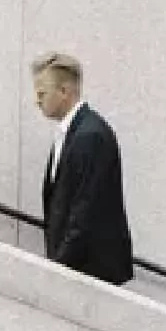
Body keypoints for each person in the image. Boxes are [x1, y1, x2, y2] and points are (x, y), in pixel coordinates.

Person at [31, 52, 133, 286]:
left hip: (90, 272)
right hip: (78, 268)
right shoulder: (73, 132)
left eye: (42, 94)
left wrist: (59, 267)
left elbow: (85, 210)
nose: (37, 101)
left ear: (64, 91)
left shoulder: (90, 136)